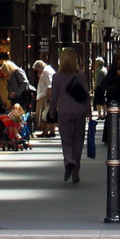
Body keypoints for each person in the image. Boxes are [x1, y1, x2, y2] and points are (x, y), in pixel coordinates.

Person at [47, 47, 90, 183]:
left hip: (64, 112)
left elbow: (54, 97)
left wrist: (52, 112)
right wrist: (88, 111)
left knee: (66, 140)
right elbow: (85, 95)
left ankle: (69, 160)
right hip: (79, 112)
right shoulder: (81, 75)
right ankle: (76, 173)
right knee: (78, 141)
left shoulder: (57, 77)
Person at [33, 59, 56, 137]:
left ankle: (45, 131)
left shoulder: (46, 71)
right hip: (48, 94)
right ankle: (52, 130)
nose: (37, 72)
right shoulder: (49, 69)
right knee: (49, 113)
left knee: (45, 114)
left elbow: (50, 84)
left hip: (45, 95)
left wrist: (49, 98)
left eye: (37, 70)